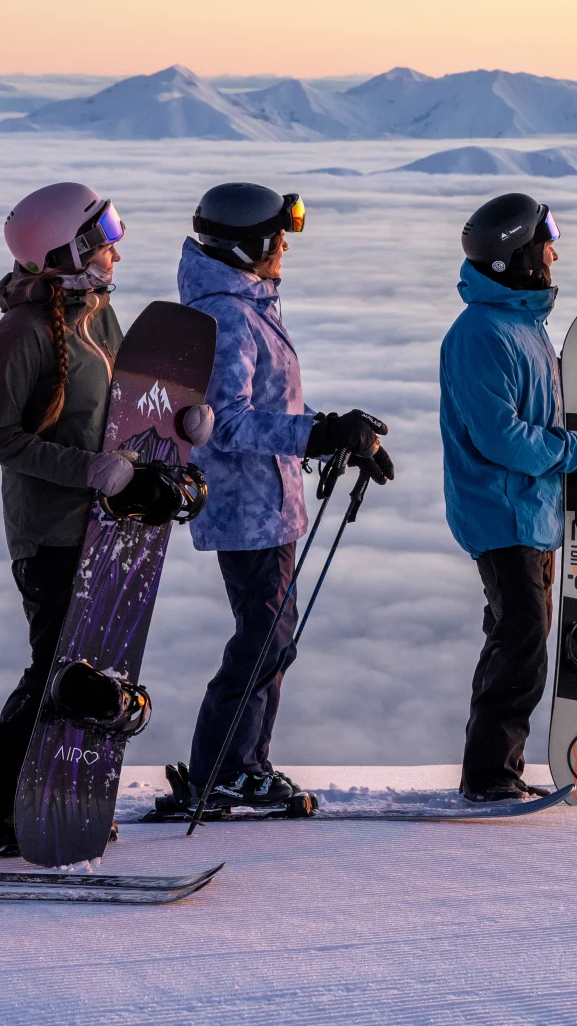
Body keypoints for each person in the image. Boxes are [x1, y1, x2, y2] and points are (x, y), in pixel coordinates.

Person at [152, 182, 387, 820]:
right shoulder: (227, 314)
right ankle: (224, 770)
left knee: (270, 639)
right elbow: (225, 422)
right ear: (246, 243)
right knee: (263, 639)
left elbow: (270, 409)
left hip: (267, 503)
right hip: (247, 508)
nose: (284, 245)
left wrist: (336, 433)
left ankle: (241, 765)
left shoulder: (245, 303)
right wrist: (318, 432)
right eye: (277, 235)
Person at [440, 193, 577, 802]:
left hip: (530, 515)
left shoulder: (520, 328)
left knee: (515, 639)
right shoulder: (483, 336)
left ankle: (494, 768)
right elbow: (501, 436)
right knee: (525, 647)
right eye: (546, 239)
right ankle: (489, 779)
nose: (555, 248)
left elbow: (546, 399)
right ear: (518, 256)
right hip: (500, 513)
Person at [0, 182, 141, 856]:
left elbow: (125, 410)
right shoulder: (20, 333)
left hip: (103, 525)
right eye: (104, 236)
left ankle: (53, 793)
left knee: (87, 672)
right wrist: (86, 471)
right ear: (68, 250)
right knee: (55, 671)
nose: (116, 250)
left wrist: (175, 436)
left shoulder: (100, 317)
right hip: (50, 531)